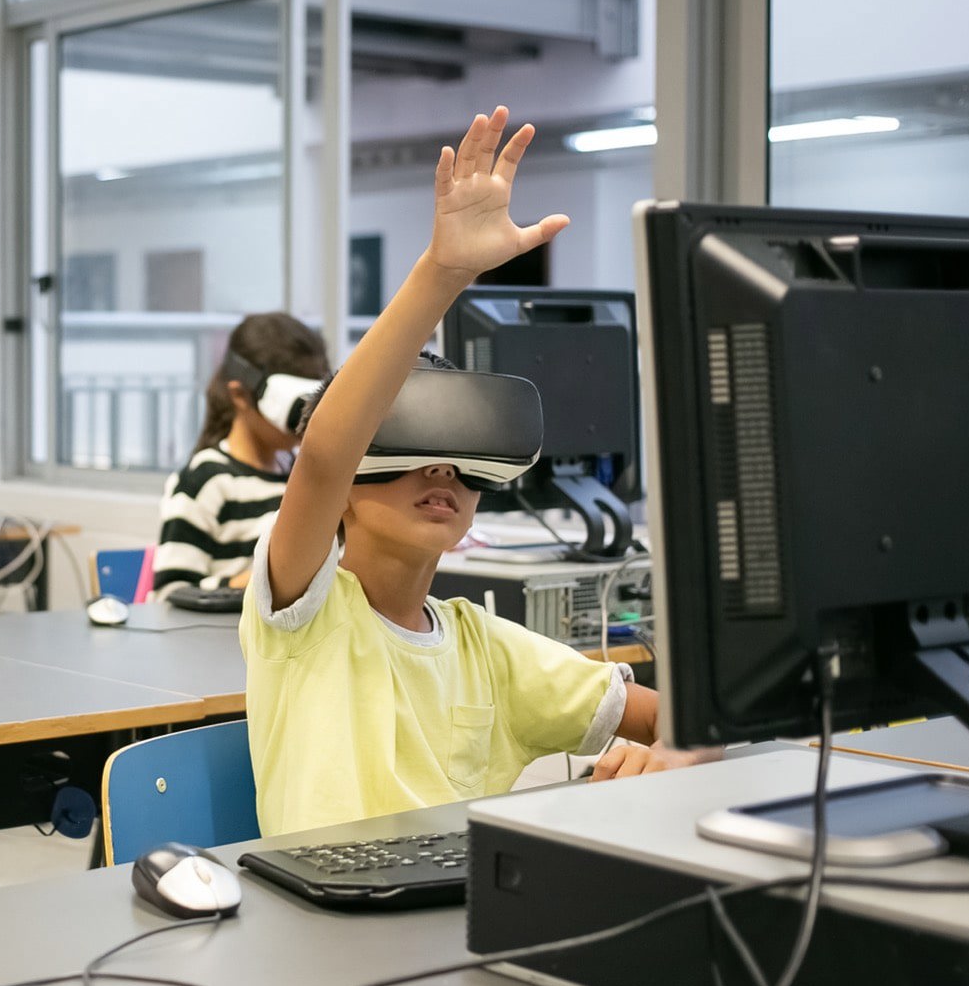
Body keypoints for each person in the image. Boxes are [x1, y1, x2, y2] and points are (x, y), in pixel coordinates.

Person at [244, 108, 700, 836]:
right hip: (328, 912)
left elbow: (679, 719)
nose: (441, 475)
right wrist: (443, 274)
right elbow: (327, 453)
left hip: (456, 908)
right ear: (348, 498)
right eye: (409, 455)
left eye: (462, 465)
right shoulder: (303, 620)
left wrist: (678, 749)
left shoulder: (483, 647)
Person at [152, 313, 328, 601]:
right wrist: (255, 581)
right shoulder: (206, 480)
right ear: (240, 396)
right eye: (297, 406)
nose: (306, 420)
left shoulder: (301, 474)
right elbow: (170, 594)